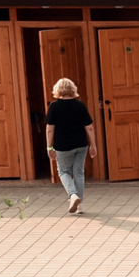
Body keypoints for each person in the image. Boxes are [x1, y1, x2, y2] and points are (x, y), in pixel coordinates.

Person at [42, 76, 95, 215]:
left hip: (63, 146)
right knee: (78, 172)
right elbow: (89, 127)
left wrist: (49, 147)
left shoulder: (54, 106)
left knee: (63, 172)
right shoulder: (80, 105)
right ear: (73, 89)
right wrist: (93, 145)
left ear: (57, 90)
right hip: (81, 144)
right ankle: (79, 206)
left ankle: (72, 195)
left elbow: (49, 129)